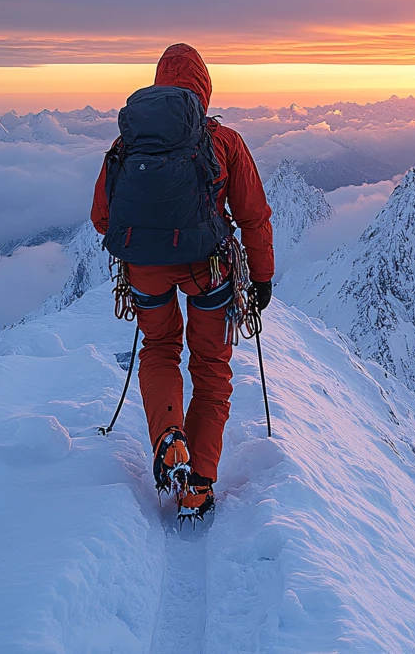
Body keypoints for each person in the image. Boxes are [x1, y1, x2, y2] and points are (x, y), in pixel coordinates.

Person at [91, 43, 274, 521]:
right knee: (211, 366)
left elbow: (101, 216)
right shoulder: (224, 141)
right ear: (204, 90)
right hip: (208, 269)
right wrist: (262, 277)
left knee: (159, 349)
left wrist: (148, 246)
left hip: (145, 273)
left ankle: (169, 438)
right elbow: (254, 217)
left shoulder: (126, 145)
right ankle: (199, 483)